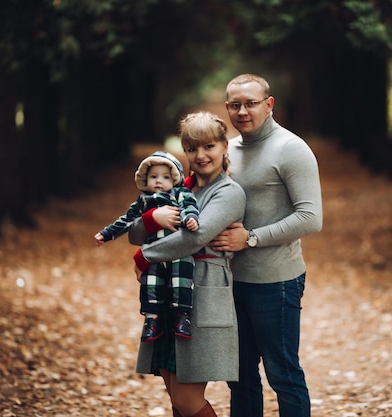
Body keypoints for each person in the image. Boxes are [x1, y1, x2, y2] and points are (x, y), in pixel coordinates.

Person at [209, 73, 323, 417]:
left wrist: (252, 238)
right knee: (240, 378)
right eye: (235, 105)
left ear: (269, 104)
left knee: (283, 374)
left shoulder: (291, 149)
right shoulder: (227, 149)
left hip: (277, 284)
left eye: (251, 103)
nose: (242, 111)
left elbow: (310, 218)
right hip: (231, 283)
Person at [128, 111, 246, 417]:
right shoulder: (178, 190)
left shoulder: (229, 192)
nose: (200, 155)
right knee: (173, 391)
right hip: (170, 291)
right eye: (192, 149)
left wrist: (145, 256)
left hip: (203, 295)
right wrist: (152, 217)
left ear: (224, 146)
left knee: (186, 397)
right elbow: (135, 233)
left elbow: (196, 237)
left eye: (208, 146)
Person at [94, 151, 200, 342]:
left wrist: (190, 218)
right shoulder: (142, 201)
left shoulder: (180, 193)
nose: (159, 181)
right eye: (154, 176)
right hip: (154, 253)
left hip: (179, 250)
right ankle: (152, 320)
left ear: (175, 179)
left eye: (165, 177)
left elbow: (190, 207)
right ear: (146, 180)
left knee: (181, 281)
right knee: (150, 282)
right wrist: (106, 233)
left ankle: (181, 317)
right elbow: (126, 221)